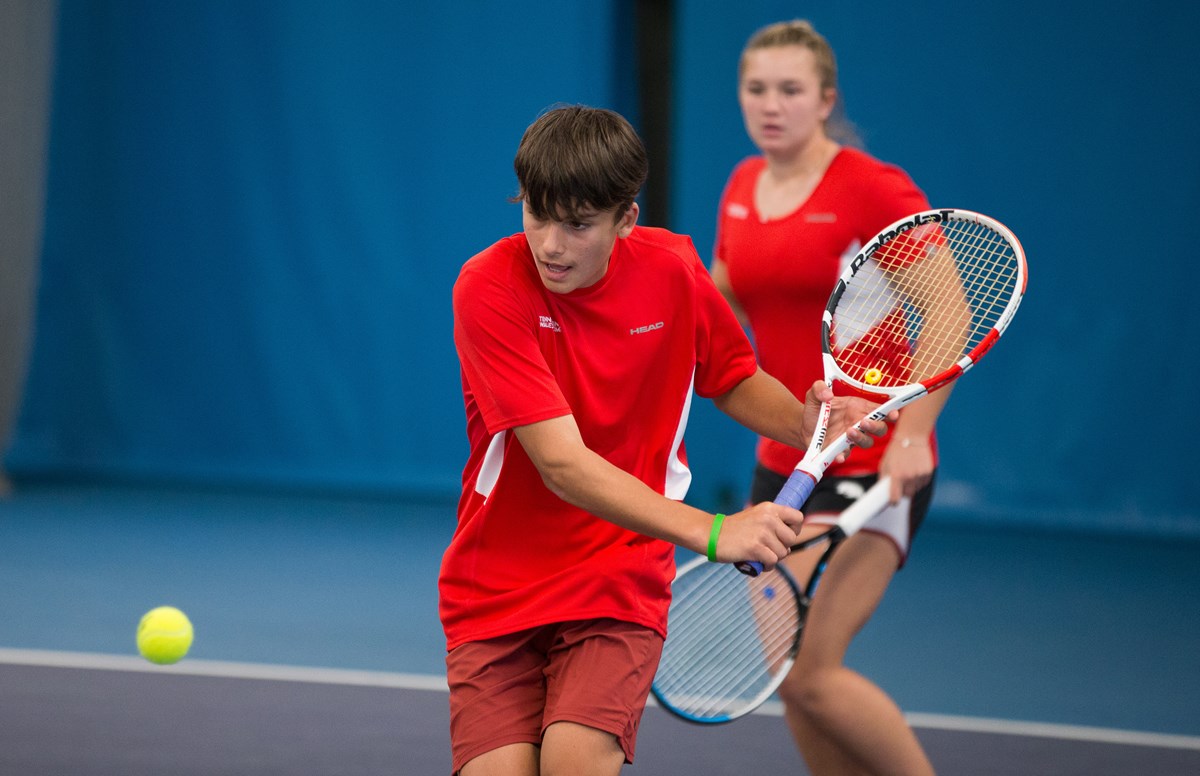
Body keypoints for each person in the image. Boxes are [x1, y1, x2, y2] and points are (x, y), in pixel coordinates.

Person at [441, 104, 892, 776]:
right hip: (497, 583)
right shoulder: (489, 288)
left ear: (627, 219)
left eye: (578, 224)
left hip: (617, 571)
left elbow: (733, 375)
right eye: (537, 215)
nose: (551, 245)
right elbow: (562, 465)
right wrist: (714, 533)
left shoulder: (673, 270)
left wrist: (807, 423)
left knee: (574, 761)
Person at [710, 20, 951, 776]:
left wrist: (911, 435)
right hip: (783, 458)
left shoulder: (872, 189)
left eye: (790, 90)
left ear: (825, 99)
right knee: (793, 682)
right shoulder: (743, 186)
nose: (770, 105)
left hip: (874, 455)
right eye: (756, 89)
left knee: (812, 670)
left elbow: (948, 312)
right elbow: (722, 306)